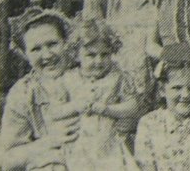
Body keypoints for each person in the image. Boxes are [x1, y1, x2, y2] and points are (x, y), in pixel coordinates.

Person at [1, 9, 79, 171]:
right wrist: (49, 141)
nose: (47, 55)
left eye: (52, 44)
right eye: (36, 49)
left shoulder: (89, 74)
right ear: (24, 54)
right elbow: (6, 160)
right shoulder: (23, 93)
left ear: (66, 43)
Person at [59, 19, 142, 170]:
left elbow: (133, 106)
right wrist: (74, 106)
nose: (99, 61)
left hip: (109, 143)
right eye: (91, 55)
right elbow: (55, 111)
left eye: (105, 54)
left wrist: (108, 109)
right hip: (77, 144)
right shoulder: (68, 79)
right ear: (76, 55)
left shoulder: (118, 77)